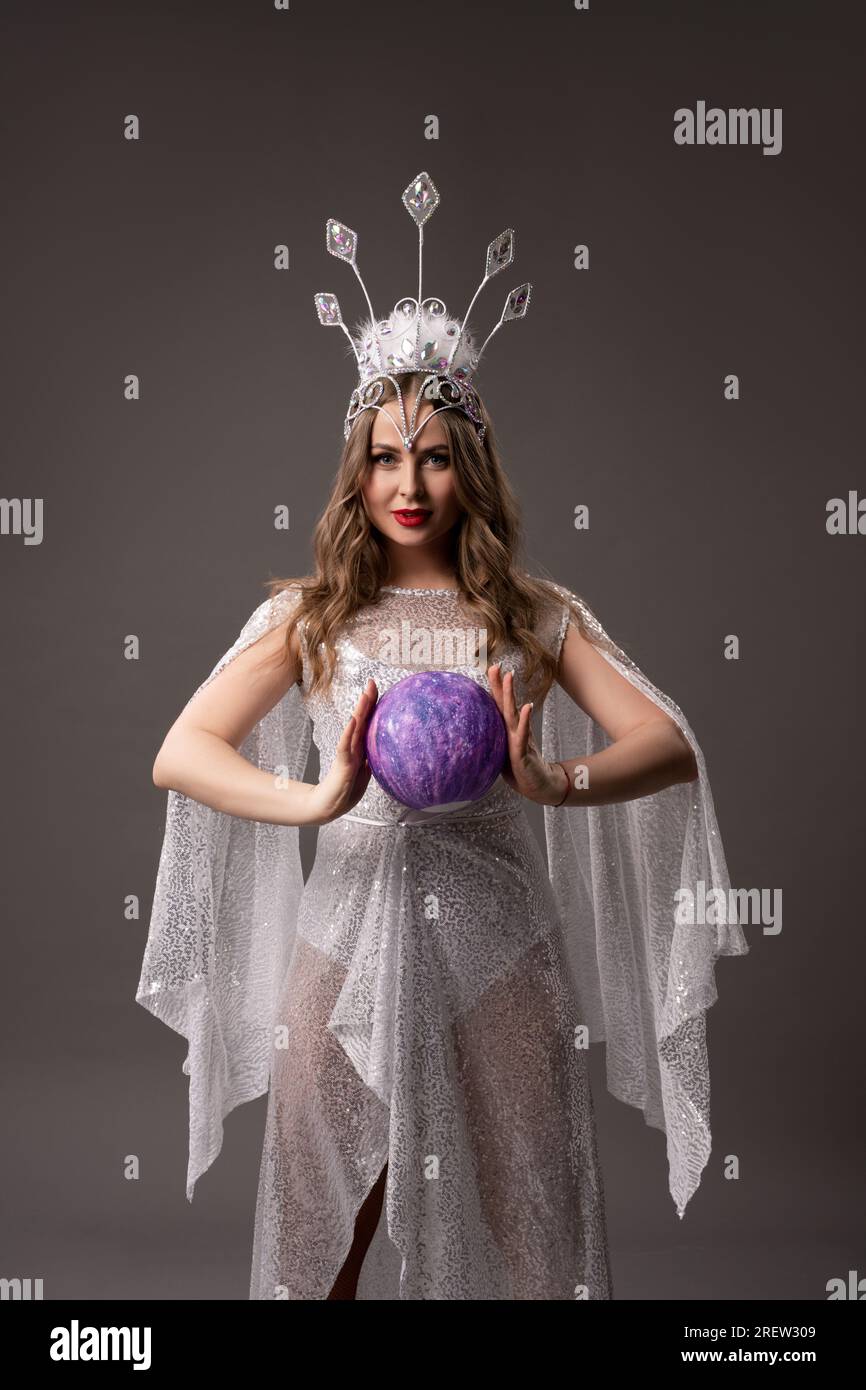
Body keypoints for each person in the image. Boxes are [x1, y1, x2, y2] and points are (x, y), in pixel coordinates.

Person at [137, 173, 748, 1300]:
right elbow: (183, 751)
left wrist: (551, 779)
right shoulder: (309, 616)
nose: (407, 482)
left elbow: (664, 740)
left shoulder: (528, 613)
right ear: (355, 469)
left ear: (468, 466)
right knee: (321, 1222)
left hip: (501, 949)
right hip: (343, 945)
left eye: (431, 455)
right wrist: (319, 800)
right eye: (383, 454)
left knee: (534, 1221)